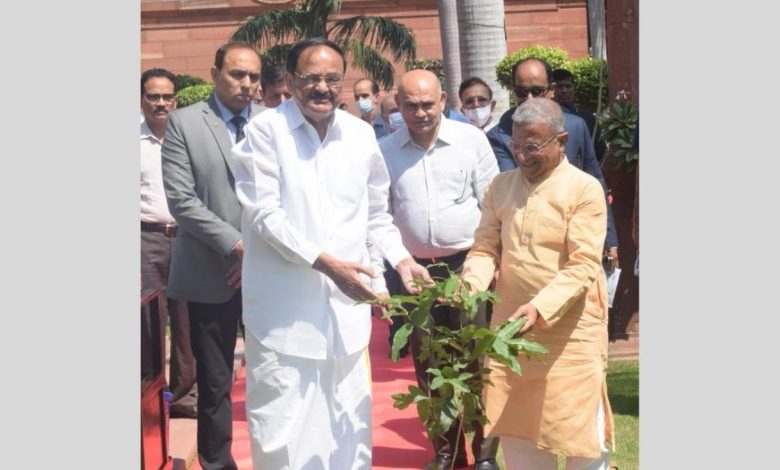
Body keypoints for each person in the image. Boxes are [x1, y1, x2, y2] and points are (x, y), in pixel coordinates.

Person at [231, 37, 432, 470]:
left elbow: (376, 214)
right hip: (284, 319)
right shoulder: (265, 132)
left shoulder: (360, 136)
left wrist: (401, 260)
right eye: (311, 78)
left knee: (348, 429)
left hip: (345, 317)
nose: (322, 88)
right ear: (289, 80)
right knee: (280, 434)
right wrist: (326, 264)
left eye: (331, 79)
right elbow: (265, 216)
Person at [461, 97, 614, 470]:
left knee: (583, 443)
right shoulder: (500, 186)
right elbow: (484, 248)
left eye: (533, 146)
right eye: (516, 146)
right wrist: (468, 287)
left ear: (560, 141)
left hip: (571, 334)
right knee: (520, 437)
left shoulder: (584, 189)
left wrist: (540, 308)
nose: (522, 156)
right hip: (512, 331)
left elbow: (582, 265)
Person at [380, 69, 500, 470]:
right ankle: (447, 454)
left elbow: (493, 208)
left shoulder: (471, 140)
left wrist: (485, 264)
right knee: (430, 364)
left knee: (478, 361)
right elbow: (379, 215)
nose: (420, 112)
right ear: (398, 103)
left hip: (469, 266)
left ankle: (485, 453)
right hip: (415, 274)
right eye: (410, 105)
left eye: (428, 103)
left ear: (444, 99)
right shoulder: (385, 150)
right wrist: (401, 260)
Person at [161, 41, 266, 470]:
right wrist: (238, 245)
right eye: (237, 74)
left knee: (276, 374)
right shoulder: (184, 123)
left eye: (254, 77)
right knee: (216, 380)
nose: (246, 84)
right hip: (211, 273)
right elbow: (182, 201)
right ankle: (218, 463)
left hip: (269, 273)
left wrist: (261, 252)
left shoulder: (272, 124)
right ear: (214, 72)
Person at [487, 57, 619, 271]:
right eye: (522, 92)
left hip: (577, 242)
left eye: (537, 91)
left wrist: (609, 239)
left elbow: (596, 181)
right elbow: (515, 187)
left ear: (550, 90)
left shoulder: (576, 126)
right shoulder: (499, 135)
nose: (529, 98)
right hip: (527, 251)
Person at [140, 67, 198, 420]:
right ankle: (151, 397)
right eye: (153, 96)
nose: (161, 103)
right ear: (142, 99)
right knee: (148, 322)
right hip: (146, 238)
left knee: (186, 319)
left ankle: (184, 398)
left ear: (175, 99)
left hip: (188, 238)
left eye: (167, 96)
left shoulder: (186, 136)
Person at [551, 68, 606, 160]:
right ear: (551, 90)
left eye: (568, 86)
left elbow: (600, 153)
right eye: (559, 87)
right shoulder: (544, 118)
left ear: (574, 89)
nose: (564, 91)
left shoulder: (588, 118)